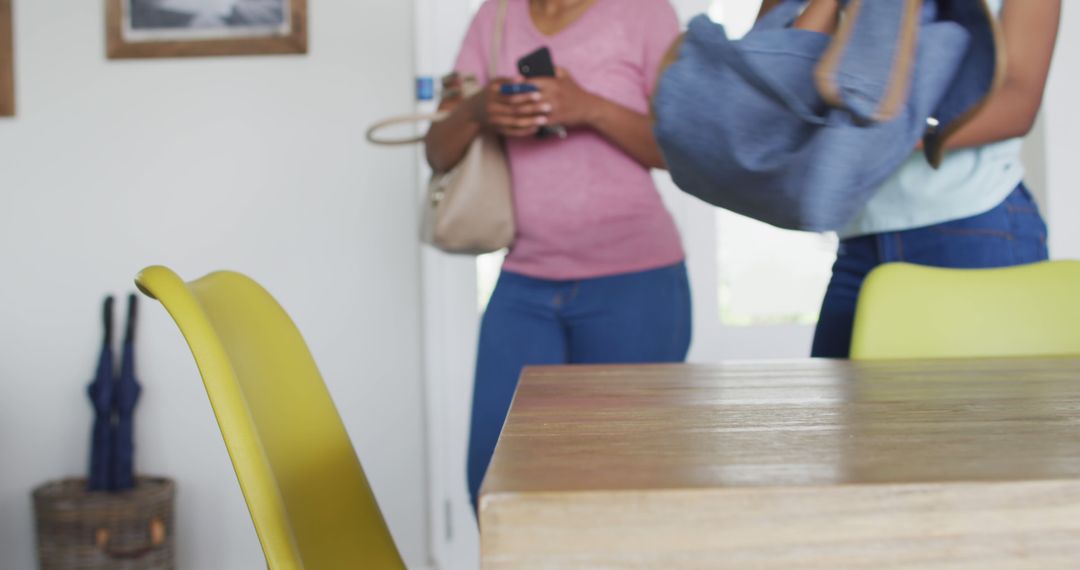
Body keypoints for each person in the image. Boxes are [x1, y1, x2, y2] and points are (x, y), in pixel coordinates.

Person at [424, 0, 690, 510]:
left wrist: (589, 106)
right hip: (525, 283)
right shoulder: (494, 16)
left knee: (623, 490)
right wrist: (479, 111)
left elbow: (678, 149)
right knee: (495, 487)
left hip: (636, 285)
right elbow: (437, 152)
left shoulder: (646, 12)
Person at [778, 0, 1062, 358]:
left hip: (972, 223)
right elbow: (780, 66)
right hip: (861, 235)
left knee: (983, 411)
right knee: (847, 411)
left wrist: (883, 135)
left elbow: (1017, 102)